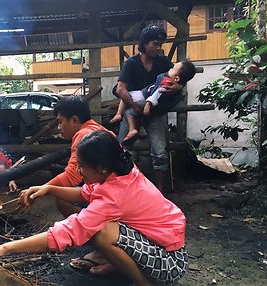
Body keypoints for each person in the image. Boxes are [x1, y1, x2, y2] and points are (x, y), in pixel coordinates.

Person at [0, 131, 188, 286]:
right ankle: (118, 266)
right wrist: (49, 188)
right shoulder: (119, 172)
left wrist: (5, 248)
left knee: (102, 232)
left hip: (168, 263)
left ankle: (144, 284)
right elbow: (85, 193)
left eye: (82, 165)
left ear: (102, 167)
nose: (78, 170)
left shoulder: (115, 195)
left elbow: (68, 231)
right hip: (163, 246)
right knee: (104, 227)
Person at [110, 25, 184, 192]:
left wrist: (178, 87)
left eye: (160, 45)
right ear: (144, 43)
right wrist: (136, 108)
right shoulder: (131, 63)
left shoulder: (163, 62)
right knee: (122, 149)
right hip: (133, 110)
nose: (159, 48)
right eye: (155, 44)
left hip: (155, 113)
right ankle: (122, 190)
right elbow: (121, 89)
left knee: (160, 152)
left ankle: (160, 190)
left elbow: (179, 79)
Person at [43, 96, 115, 218]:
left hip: (111, 194)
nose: (59, 128)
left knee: (62, 198)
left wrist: (41, 189)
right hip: (115, 189)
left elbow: (72, 177)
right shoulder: (100, 130)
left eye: (60, 122)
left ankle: (89, 225)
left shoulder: (83, 135)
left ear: (74, 120)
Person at [112, 60, 196, 144]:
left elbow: (157, 92)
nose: (170, 68)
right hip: (145, 98)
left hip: (144, 98)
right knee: (129, 106)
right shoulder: (133, 63)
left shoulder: (166, 79)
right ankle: (137, 130)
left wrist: (148, 103)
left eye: (173, 68)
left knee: (126, 102)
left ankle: (124, 120)